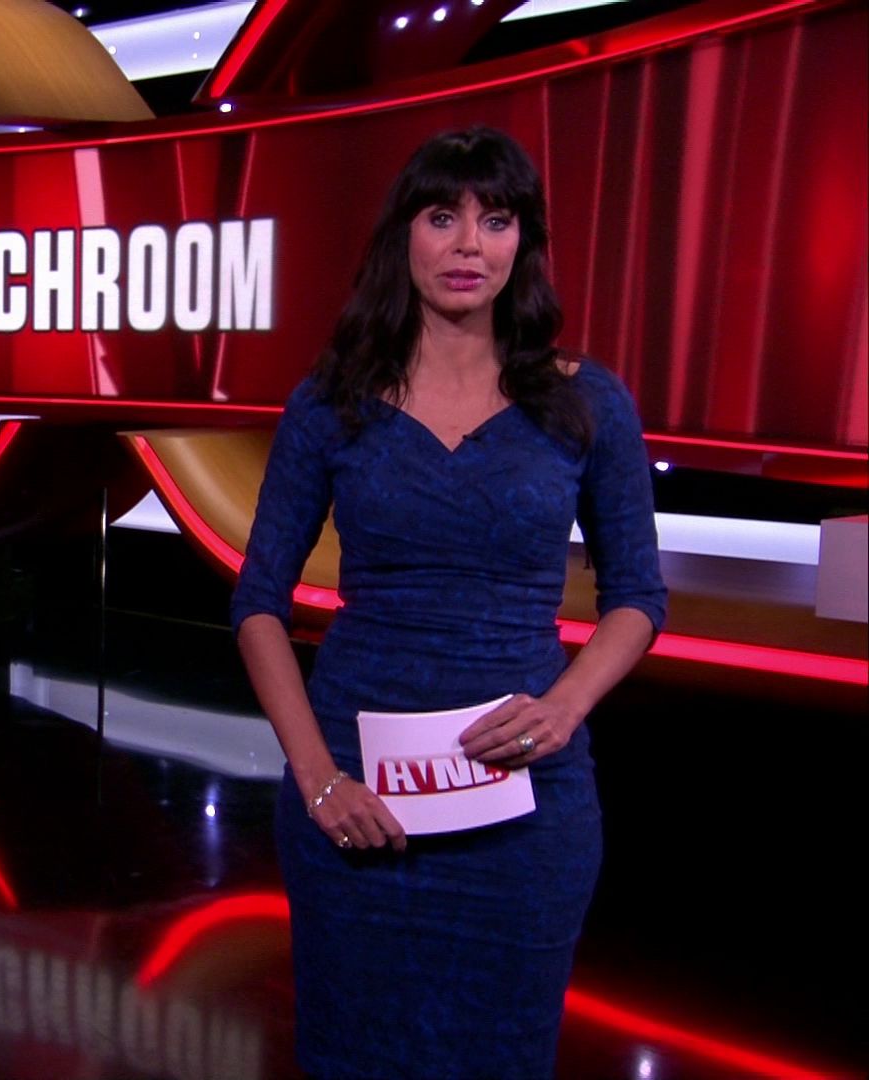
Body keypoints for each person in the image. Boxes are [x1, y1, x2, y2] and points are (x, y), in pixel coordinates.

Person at [228, 126, 667, 1078]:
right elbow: (257, 603)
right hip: (356, 800)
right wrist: (317, 779)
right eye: (443, 217)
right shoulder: (331, 401)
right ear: (404, 234)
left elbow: (637, 596)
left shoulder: (587, 401)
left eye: (496, 220)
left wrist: (566, 706)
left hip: (525, 814)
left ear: (523, 243)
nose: (470, 244)